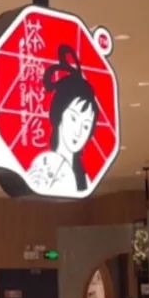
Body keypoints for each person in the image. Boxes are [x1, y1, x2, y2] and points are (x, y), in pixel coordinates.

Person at [26, 46, 98, 194]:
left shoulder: (85, 181)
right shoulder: (41, 169)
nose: (79, 132)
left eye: (86, 126)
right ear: (59, 114)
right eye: (73, 118)